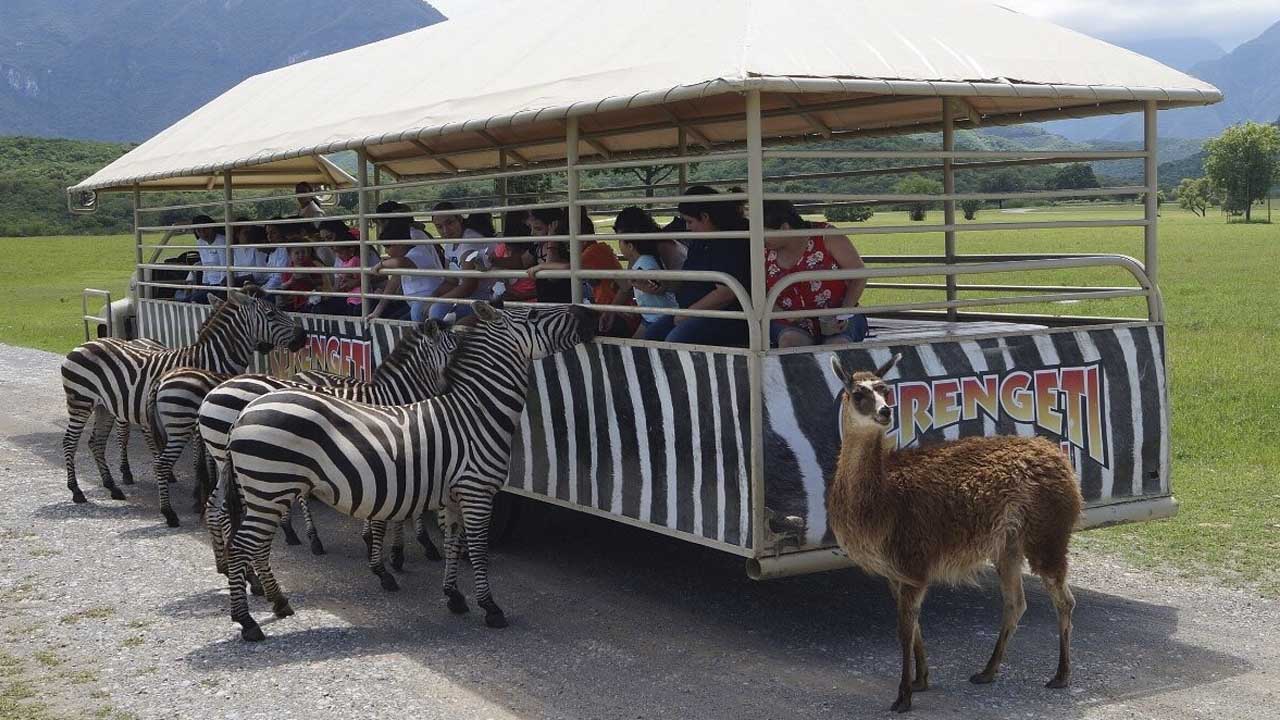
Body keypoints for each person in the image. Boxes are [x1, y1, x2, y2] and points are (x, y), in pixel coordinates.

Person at [643, 186, 752, 346]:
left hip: (725, 316)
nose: (687, 227)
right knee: (652, 334)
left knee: (675, 340)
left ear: (705, 217)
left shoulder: (731, 242)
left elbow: (726, 293)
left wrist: (688, 313)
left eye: (690, 221)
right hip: (694, 311)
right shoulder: (701, 241)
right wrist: (662, 284)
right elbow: (689, 278)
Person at [763, 200, 869, 347]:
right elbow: (760, 291)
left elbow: (859, 275)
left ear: (785, 227)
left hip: (838, 316)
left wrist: (843, 313)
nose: (760, 238)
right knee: (790, 342)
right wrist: (783, 314)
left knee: (838, 344)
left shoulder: (827, 236)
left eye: (764, 232)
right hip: (789, 322)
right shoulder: (762, 249)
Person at [427, 201, 499, 321]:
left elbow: (468, 286)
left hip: (488, 295)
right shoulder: (450, 243)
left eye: (449, 223)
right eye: (439, 227)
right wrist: (431, 298)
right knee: (423, 307)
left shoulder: (470, 242)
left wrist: (437, 302)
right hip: (469, 295)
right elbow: (451, 280)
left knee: (437, 310)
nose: (445, 230)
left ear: (459, 219)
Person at [180, 214, 227, 304]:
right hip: (209, 284)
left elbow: (225, 266)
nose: (203, 233)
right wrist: (204, 284)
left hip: (221, 285)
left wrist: (222, 288)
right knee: (185, 301)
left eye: (205, 229)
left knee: (195, 300)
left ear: (212, 228)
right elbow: (205, 265)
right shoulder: (200, 243)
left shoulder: (222, 241)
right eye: (199, 230)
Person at [279, 245, 323, 312]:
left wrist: (308, 279)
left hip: (311, 301)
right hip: (294, 302)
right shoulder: (288, 270)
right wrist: (291, 281)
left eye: (303, 252)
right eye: (297, 253)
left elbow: (320, 283)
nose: (301, 255)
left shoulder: (311, 266)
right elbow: (282, 287)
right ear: (290, 255)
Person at [230, 220, 269, 286]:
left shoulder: (258, 248)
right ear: (237, 234)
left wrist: (240, 279)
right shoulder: (234, 250)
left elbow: (261, 274)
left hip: (256, 284)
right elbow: (234, 272)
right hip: (239, 284)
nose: (249, 235)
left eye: (250, 232)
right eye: (246, 233)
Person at [261, 219, 293, 292]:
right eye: (267, 233)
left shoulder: (285, 249)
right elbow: (270, 276)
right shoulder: (273, 251)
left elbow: (279, 278)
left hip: (281, 290)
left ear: (282, 232)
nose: (269, 236)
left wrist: (263, 291)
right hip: (271, 287)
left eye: (273, 233)